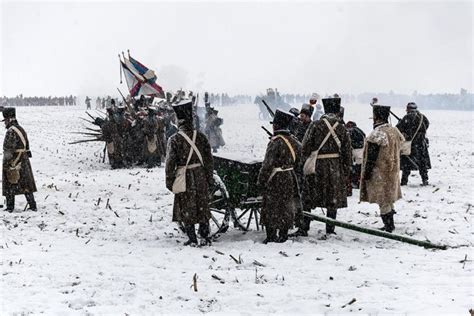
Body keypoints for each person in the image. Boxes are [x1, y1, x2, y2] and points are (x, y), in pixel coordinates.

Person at [297, 97, 352, 236]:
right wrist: (345, 170)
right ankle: (330, 228)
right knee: (332, 200)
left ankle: (304, 227)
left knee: (308, 198)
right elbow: (347, 152)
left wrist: (305, 162)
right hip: (335, 167)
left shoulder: (315, 125)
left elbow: (305, 147)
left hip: (317, 166)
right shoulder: (342, 127)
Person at [165, 99, 214, 246]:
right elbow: (209, 160)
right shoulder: (201, 137)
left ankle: (192, 238)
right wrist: (208, 178)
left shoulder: (174, 140)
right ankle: (205, 236)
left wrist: (170, 181)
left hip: (184, 176)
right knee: (202, 205)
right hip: (200, 175)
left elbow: (170, 164)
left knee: (187, 207)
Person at [258, 110, 301, 243]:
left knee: (271, 206)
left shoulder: (275, 142)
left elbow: (267, 165)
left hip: (275, 178)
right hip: (290, 177)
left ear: (275, 126)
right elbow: (299, 161)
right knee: (286, 206)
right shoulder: (295, 142)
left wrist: (261, 181)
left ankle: (271, 235)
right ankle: (283, 234)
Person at [360, 105, 404, 232]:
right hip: (393, 170)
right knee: (389, 198)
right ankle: (390, 223)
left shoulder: (378, 133)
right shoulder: (394, 131)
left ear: (376, 118)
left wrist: (366, 173)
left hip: (380, 171)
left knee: (383, 199)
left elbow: (371, 157)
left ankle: (388, 225)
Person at [2, 108, 37, 212]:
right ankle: (32, 205)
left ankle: (10, 207)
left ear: (9, 119)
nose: (5, 123)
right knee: (26, 184)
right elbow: (27, 145)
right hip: (24, 159)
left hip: (14, 160)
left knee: (9, 184)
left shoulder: (11, 131)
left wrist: (7, 164)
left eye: (5, 121)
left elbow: (8, 149)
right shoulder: (21, 128)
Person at [396, 102, 431, 186]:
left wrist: (404, 125)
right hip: (421, 144)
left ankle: (404, 181)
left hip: (410, 144)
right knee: (422, 163)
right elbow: (426, 125)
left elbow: (398, 129)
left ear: (408, 109)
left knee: (406, 164)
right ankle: (425, 180)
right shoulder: (423, 117)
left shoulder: (407, 118)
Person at [346, 121, 366, 188]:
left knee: (354, 168)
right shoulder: (359, 130)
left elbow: (349, 142)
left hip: (355, 151)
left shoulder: (351, 131)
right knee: (359, 167)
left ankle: (354, 182)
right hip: (361, 150)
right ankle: (358, 182)